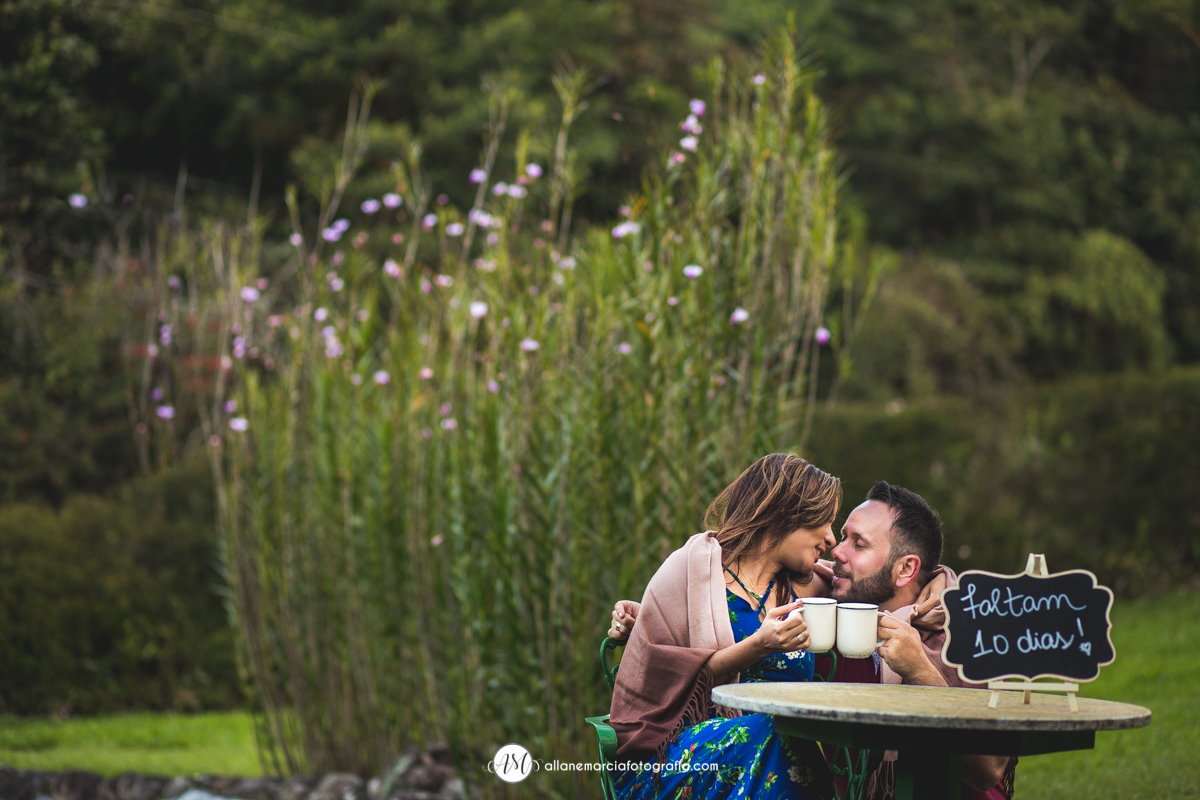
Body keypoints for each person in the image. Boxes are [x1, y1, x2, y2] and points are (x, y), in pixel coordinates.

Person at [609, 481, 1015, 800]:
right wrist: (646, 620)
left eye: (858, 544)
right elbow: (742, 595)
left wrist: (921, 668)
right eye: (842, 537)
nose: (835, 551)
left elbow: (987, 771)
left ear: (908, 569)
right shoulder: (835, 612)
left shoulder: (962, 631)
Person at [608, 453, 841, 800]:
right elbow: (669, 670)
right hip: (678, 754)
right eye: (823, 522)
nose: (832, 539)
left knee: (788, 738)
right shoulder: (693, 570)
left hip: (774, 751)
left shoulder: (812, 589)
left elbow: (891, 586)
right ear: (784, 515)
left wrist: (929, 597)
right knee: (780, 735)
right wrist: (759, 645)